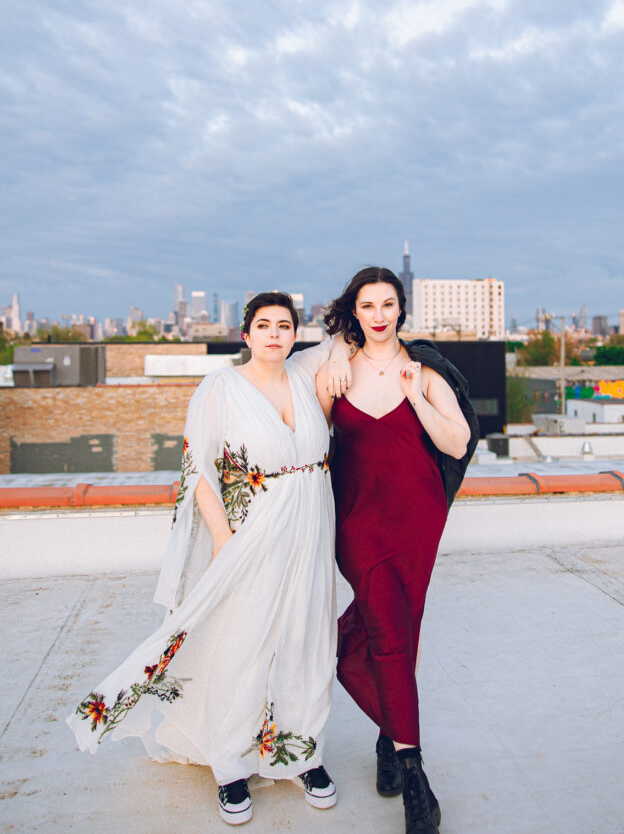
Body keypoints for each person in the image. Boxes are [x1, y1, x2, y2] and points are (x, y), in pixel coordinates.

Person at [67, 292, 351, 826]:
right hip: (253, 532)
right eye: (262, 325)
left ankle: (301, 754)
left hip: (312, 525)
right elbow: (198, 468)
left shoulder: (305, 373)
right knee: (241, 642)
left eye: (284, 325)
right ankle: (231, 764)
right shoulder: (220, 387)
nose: (273, 334)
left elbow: (350, 335)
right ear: (245, 336)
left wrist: (334, 355)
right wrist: (222, 539)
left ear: (296, 335)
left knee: (306, 640)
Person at [315, 267, 471, 834]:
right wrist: (334, 350)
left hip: (416, 519)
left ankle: (390, 742)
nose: (378, 314)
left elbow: (456, 440)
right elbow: (312, 443)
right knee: (384, 627)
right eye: (367, 305)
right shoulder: (332, 369)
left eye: (387, 304)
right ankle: (416, 776)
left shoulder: (423, 368)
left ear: (401, 309)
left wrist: (416, 395)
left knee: (403, 627)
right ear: (353, 312)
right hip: (357, 522)